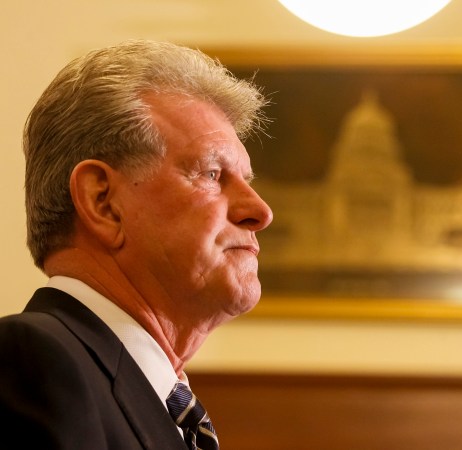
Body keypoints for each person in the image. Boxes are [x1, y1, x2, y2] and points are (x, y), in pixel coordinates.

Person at [0, 39, 273, 449]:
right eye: (212, 174)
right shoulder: (30, 364)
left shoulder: (162, 401)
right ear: (103, 203)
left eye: (246, 181)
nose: (260, 211)